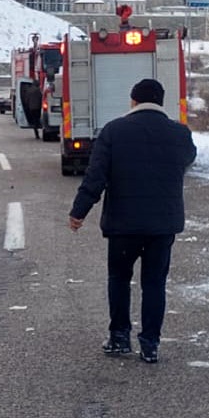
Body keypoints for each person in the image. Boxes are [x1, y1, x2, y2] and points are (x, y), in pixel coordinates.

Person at [68, 78, 197, 364]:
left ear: (134, 101)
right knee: (154, 284)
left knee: (119, 279)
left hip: (123, 225)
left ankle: (119, 337)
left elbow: (95, 176)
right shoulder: (179, 134)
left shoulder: (114, 131)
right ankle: (150, 344)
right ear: (161, 102)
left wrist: (79, 212)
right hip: (162, 227)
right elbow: (189, 159)